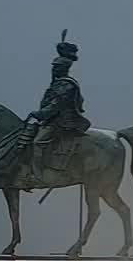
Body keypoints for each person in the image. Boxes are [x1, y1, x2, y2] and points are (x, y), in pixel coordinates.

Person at [27, 31, 90, 182]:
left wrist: (38, 114)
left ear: (63, 69)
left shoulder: (66, 85)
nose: (53, 70)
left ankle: (37, 176)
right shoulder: (57, 83)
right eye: (53, 67)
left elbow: (54, 106)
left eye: (56, 68)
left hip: (62, 122)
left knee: (38, 142)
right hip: (52, 120)